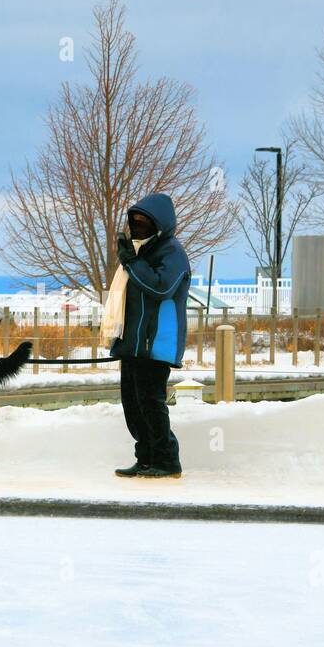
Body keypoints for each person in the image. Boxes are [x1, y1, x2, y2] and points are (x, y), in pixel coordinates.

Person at [103, 193, 191, 478]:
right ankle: (145, 457)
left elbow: (161, 288)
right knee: (133, 403)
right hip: (133, 343)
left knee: (152, 402)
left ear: (160, 225)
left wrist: (132, 263)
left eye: (145, 222)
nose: (138, 227)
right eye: (134, 222)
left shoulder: (172, 253)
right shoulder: (140, 252)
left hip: (157, 344)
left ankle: (167, 460)